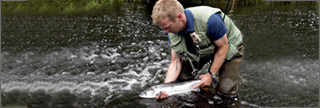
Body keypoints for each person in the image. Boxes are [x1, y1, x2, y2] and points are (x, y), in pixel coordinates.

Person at [151, 0, 243, 106]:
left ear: (179, 17)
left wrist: (210, 75)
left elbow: (223, 47)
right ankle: (200, 98)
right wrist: (166, 88)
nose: (165, 32)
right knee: (181, 79)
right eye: (163, 28)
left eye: (167, 27)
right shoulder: (171, 31)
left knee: (226, 92)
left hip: (227, 45)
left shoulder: (211, 20)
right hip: (203, 48)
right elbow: (175, 62)